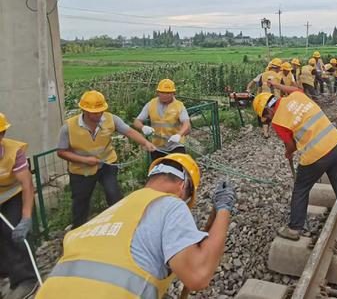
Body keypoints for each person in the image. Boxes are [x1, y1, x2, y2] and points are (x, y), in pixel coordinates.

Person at [36, 154, 236, 298]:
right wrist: (224, 209)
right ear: (183, 187)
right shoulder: (171, 204)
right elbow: (198, 275)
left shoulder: (115, 210)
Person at [252, 88, 337, 241]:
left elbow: (291, 146)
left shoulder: (278, 122)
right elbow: (295, 89)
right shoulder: (297, 95)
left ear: (268, 110)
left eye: (266, 116)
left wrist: (288, 153)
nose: (269, 119)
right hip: (335, 143)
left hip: (316, 155)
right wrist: (277, 84)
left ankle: (294, 229)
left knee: (300, 189)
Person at [57, 90, 156, 228]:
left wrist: (145, 143)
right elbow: (61, 152)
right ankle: (78, 228)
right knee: (81, 200)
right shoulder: (68, 127)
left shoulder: (111, 119)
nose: (99, 114)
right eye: (95, 112)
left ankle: (120, 223)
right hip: (81, 170)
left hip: (107, 163)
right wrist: (85, 160)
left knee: (113, 193)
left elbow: (129, 131)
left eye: (101, 111)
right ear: (83, 110)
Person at [0, 113, 38, 299]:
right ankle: (4, 275)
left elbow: (27, 185)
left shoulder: (14, 151)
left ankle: (26, 279)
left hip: (12, 195)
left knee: (14, 234)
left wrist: (26, 218)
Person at [134, 79, 191, 161]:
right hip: (157, 147)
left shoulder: (179, 106)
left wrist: (179, 134)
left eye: (168, 93)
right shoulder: (150, 104)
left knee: (177, 170)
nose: (165, 95)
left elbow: (186, 123)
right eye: (162, 92)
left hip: (175, 145)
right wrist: (143, 127)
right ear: (158, 92)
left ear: (173, 93)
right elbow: (137, 121)